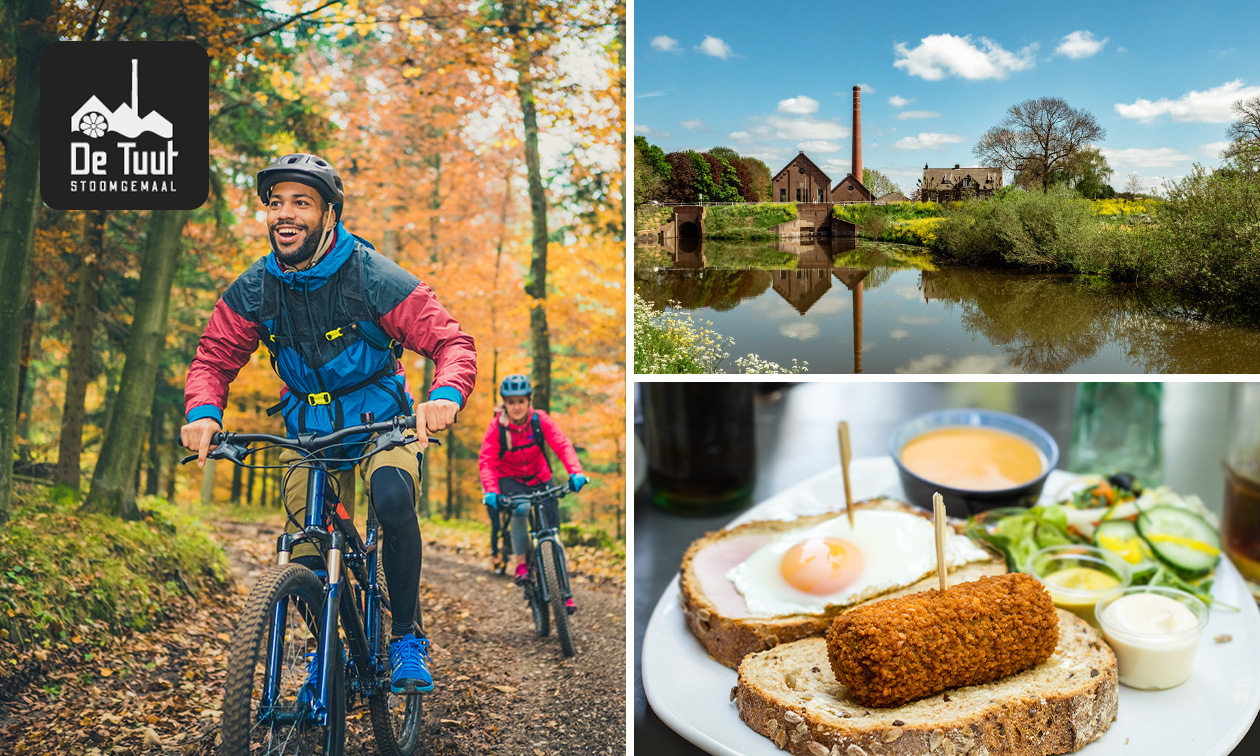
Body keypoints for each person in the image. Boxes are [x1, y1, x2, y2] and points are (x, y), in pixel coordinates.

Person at [180, 153, 476, 694]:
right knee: (306, 546)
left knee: (390, 499)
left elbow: (450, 342)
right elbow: (214, 358)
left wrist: (445, 395)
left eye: (300, 202)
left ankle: (406, 638)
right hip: (307, 429)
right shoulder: (255, 288)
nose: (284, 214)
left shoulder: (371, 274)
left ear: (330, 215)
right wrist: (203, 414)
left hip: (381, 421)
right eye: (275, 204)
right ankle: (330, 648)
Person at [478, 375, 587, 613]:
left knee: (553, 532)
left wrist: (575, 472)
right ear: (504, 403)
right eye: (511, 401)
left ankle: (563, 592)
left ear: (529, 401)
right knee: (522, 508)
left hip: (540, 476)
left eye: (521, 401)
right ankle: (521, 565)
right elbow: (487, 461)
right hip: (511, 480)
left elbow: (561, 443)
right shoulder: (497, 426)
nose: (516, 406)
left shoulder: (540, 420)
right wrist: (491, 491)